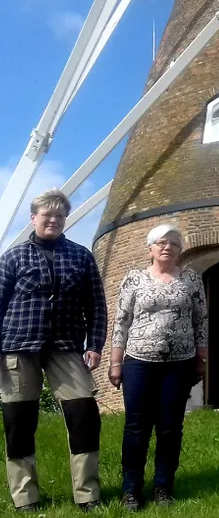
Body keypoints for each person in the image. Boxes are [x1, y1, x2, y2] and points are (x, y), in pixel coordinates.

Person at [0, 189, 107, 512]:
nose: (53, 220)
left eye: (59, 216)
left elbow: (96, 304)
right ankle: (25, 498)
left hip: (66, 345)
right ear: (34, 218)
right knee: (18, 421)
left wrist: (95, 345)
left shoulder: (80, 256)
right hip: (18, 345)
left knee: (84, 414)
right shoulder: (13, 257)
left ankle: (87, 494)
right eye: (47, 215)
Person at [108, 224, 207, 510]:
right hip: (139, 361)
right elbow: (121, 321)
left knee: (170, 427)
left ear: (180, 250)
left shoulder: (191, 279)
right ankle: (131, 490)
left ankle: (163, 487)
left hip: (180, 363)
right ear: (150, 248)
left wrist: (201, 359)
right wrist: (115, 362)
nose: (168, 247)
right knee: (136, 427)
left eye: (174, 244)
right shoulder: (134, 279)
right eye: (162, 242)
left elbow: (201, 320)